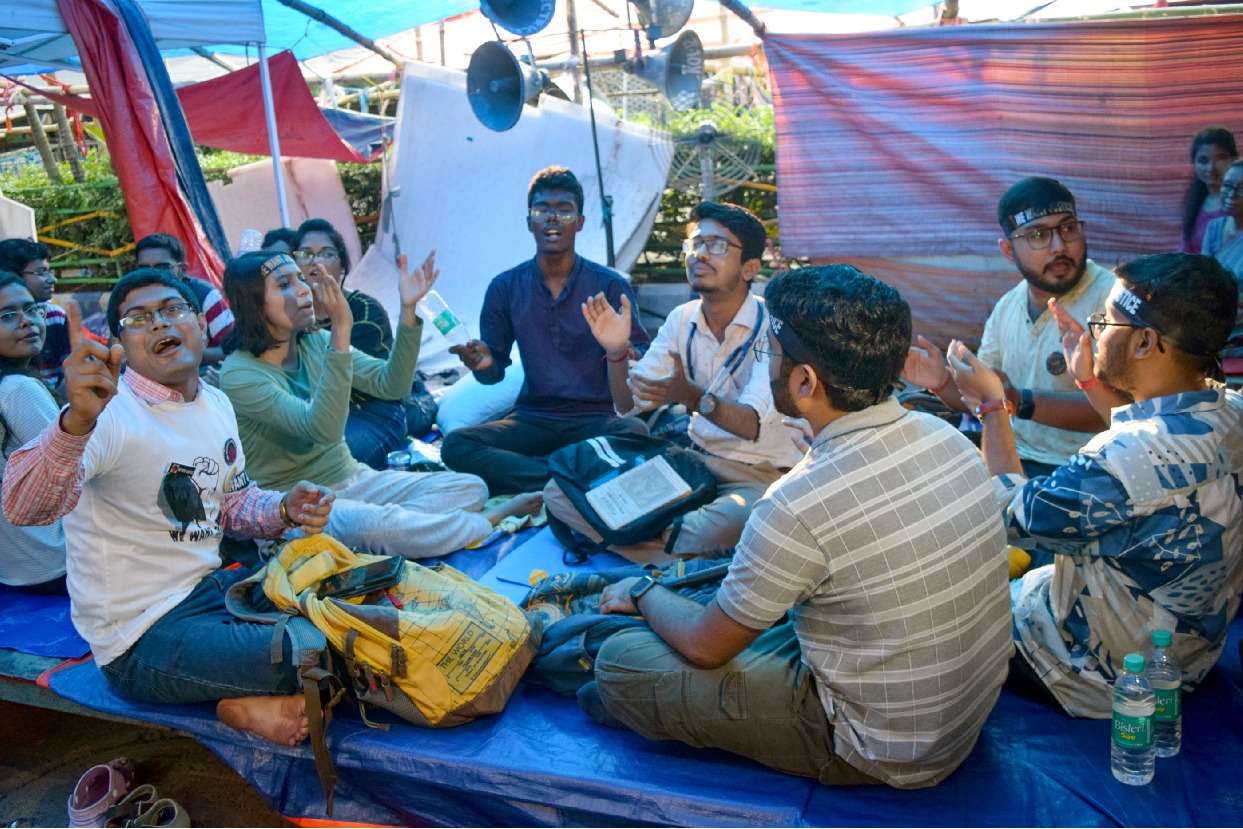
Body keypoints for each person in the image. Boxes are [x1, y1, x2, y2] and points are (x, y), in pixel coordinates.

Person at [586, 265, 1013, 789]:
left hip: (884, 748)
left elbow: (705, 645)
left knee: (619, 661)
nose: (764, 365)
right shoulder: (945, 437)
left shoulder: (796, 501)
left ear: (805, 380)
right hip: (961, 717)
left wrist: (644, 590)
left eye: (769, 354)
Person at [2, 267, 338, 746]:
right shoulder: (106, 415)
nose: (159, 324)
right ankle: (234, 706)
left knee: (340, 597)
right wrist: (74, 422)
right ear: (120, 343)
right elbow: (21, 506)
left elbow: (232, 502)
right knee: (316, 649)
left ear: (201, 325)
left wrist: (285, 507)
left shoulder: (216, 401)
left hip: (211, 591)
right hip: (141, 638)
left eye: (172, 310)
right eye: (138, 319)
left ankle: (242, 689)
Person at [947, 252, 1243, 718]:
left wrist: (991, 405)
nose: (1094, 332)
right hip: (1187, 656)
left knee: (944, 601)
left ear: (1145, 342)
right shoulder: (1230, 411)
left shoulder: (1117, 462)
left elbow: (1001, 511)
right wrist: (1088, 377)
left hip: (1094, 676)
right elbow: (1158, 462)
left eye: (1106, 322)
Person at [218, 250, 541, 559]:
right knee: (381, 526)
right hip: (299, 506)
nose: (303, 290)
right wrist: (341, 330)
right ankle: (487, 520)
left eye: (300, 279)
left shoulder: (313, 342)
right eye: (285, 284)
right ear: (253, 304)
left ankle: (391, 529)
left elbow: (392, 385)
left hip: (355, 479)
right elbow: (324, 430)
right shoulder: (240, 374)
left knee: (470, 487)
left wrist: (408, 309)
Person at [545, 201, 805, 563]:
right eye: (695, 243)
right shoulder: (682, 319)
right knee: (557, 492)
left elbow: (750, 425)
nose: (700, 253)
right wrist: (617, 352)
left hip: (757, 472)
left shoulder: (773, 326)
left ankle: (650, 540)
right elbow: (628, 405)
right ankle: (676, 551)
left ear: (749, 267)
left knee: (730, 520)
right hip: (691, 461)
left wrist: (688, 395)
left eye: (717, 245)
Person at [439, 166, 650, 495]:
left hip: (595, 418)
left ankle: (543, 475)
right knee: (455, 445)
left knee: (635, 433)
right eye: (542, 210)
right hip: (532, 418)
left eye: (565, 210)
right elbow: (491, 375)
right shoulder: (505, 287)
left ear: (580, 222)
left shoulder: (608, 285)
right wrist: (481, 365)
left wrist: (619, 349)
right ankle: (567, 475)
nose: (553, 219)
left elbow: (642, 365)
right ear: (529, 221)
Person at [903, 177, 1114, 478]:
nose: (1059, 246)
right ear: (1007, 250)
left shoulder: (1113, 300)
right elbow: (986, 399)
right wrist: (939, 383)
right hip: (1017, 461)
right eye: (1038, 235)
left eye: (1068, 228)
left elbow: (1124, 411)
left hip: (1093, 469)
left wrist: (1019, 401)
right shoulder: (1007, 307)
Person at [292, 218, 408, 470]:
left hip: (371, 412)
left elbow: (366, 383)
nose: (316, 262)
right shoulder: (291, 315)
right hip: (315, 417)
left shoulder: (365, 311)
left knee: (320, 462)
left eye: (327, 254)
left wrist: (337, 322)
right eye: (306, 254)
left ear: (342, 265)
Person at [0, 272, 66, 592]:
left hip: (16, 568)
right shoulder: (17, 390)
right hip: (59, 562)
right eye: (8, 316)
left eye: (32, 309)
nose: (27, 322)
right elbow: (78, 472)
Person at [133, 234, 234, 366]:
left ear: (182, 269)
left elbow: (233, 350)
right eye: (145, 269)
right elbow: (117, 356)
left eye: (163, 267)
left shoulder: (204, 295)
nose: (153, 275)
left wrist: (174, 354)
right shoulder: (129, 301)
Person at [0, 238, 70, 391]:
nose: (52, 279)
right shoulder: (13, 388)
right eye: (41, 272)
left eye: (32, 310)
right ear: (11, 275)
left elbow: (70, 369)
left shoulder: (56, 316)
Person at [1200, 159, 1243, 353]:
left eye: (1241, 189)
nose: (1231, 194)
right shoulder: (1214, 228)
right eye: (1227, 186)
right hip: (1211, 324)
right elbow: (1203, 279)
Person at [1180, 127, 1237, 255]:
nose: (1211, 168)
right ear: (1193, 163)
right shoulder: (1194, 204)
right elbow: (1185, 251)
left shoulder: (1237, 201)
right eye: (1203, 161)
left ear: (1233, 159)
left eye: (1220, 158)